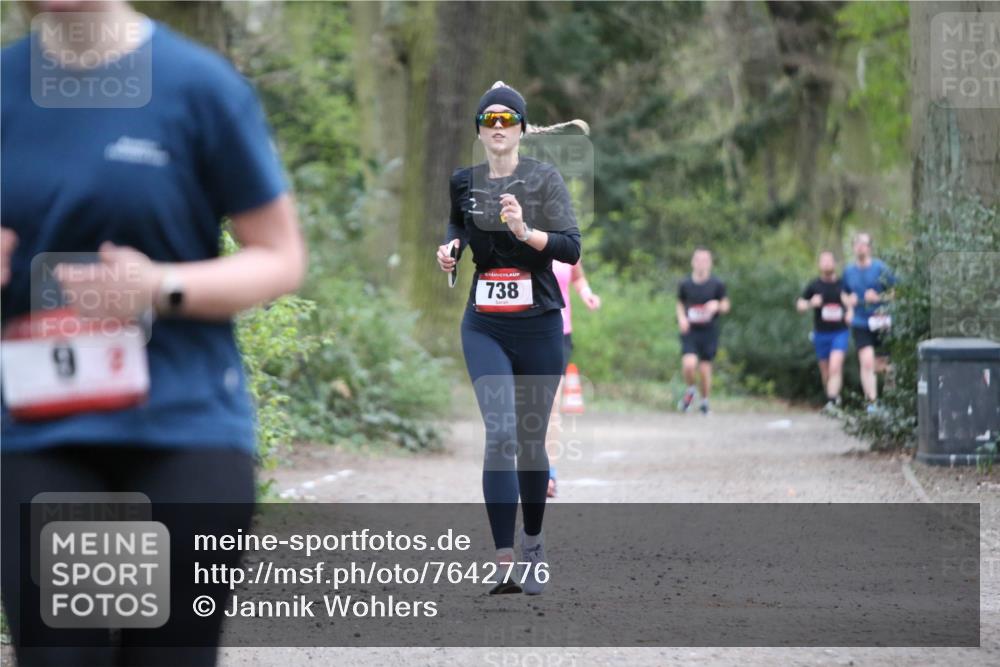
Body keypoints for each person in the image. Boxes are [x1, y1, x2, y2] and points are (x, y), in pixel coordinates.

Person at [1, 3, 305, 665]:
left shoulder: (198, 86)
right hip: (42, 431)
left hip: (182, 426)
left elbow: (280, 256)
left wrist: (161, 287)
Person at [435, 81, 581, 595]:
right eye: (489, 120)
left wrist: (525, 232)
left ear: (520, 128)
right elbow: (457, 223)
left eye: (507, 120)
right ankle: (502, 560)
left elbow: (570, 248)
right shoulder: (463, 181)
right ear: (479, 130)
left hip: (539, 323)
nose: (498, 128)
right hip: (485, 324)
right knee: (499, 433)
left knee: (528, 439)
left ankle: (534, 542)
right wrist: (450, 247)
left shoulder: (543, 180)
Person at [547, 259, 601, 497]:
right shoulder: (519, 236)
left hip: (559, 334)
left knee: (551, 405)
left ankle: (548, 473)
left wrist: (587, 293)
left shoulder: (566, 240)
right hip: (524, 331)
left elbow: (577, 277)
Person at [842, 232, 896, 409]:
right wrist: (849, 307)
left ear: (870, 247)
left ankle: (893, 400)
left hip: (881, 321)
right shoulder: (848, 271)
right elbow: (844, 293)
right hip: (860, 322)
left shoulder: (881, 268)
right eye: (856, 243)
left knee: (885, 365)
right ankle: (871, 404)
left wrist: (879, 297)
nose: (859, 247)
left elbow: (897, 292)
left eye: (863, 243)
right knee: (866, 362)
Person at [797, 251, 853, 412]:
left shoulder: (843, 284)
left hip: (840, 332)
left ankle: (832, 403)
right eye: (824, 261)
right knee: (826, 370)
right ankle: (834, 396)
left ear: (835, 263)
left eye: (830, 260)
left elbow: (853, 302)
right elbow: (799, 305)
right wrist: (810, 304)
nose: (827, 264)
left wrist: (849, 310)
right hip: (821, 334)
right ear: (819, 265)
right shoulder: (814, 285)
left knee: (835, 366)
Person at [676, 248, 729, 415]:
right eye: (698, 260)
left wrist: (717, 305)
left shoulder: (717, 284)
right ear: (693, 262)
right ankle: (691, 390)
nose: (701, 263)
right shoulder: (685, 284)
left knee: (705, 369)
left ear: (710, 263)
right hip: (690, 330)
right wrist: (681, 318)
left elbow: (726, 305)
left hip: (708, 331)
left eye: (705, 260)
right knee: (689, 364)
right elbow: (680, 303)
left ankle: (705, 402)